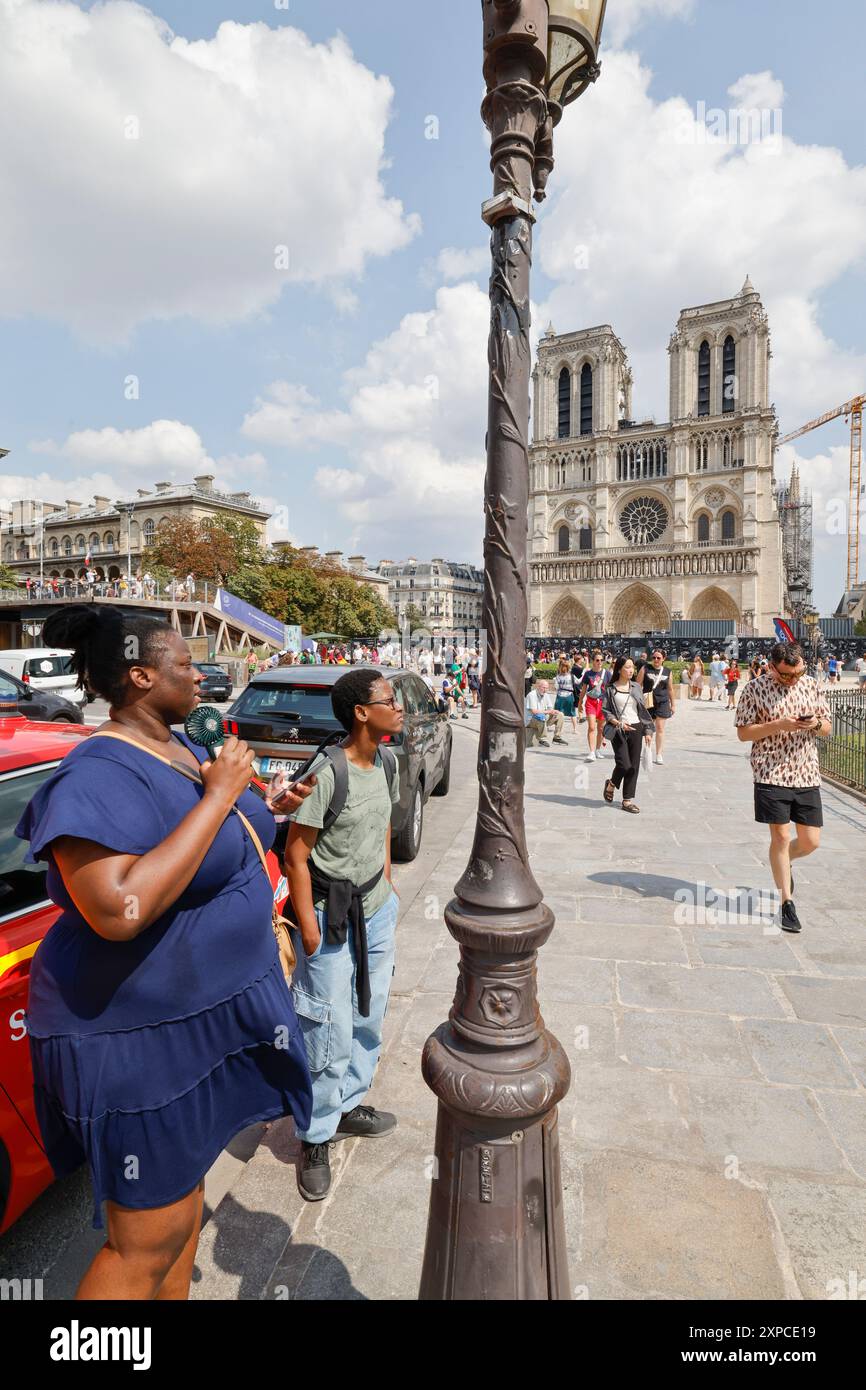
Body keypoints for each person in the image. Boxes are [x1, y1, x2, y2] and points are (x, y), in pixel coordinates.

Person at [14, 606, 315, 1300]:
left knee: (181, 1217)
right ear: (142, 675)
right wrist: (219, 798)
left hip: (192, 1030)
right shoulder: (96, 771)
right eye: (186, 664)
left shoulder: (176, 747)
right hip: (132, 1041)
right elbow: (119, 908)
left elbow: (190, 844)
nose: (201, 673)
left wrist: (260, 804)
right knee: (141, 1247)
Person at [284, 668, 402, 1201]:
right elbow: (296, 853)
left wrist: (390, 888)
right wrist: (308, 928)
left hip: (376, 908)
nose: (399, 707)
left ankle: (350, 1103)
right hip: (329, 915)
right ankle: (315, 1134)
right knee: (325, 1026)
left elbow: (381, 829)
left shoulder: (387, 760)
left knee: (369, 1013)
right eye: (389, 700)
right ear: (361, 711)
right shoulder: (329, 772)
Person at [735, 640, 830, 933]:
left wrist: (814, 724)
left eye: (797, 673)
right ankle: (787, 903)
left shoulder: (811, 685)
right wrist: (779, 725)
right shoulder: (754, 689)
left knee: (811, 841)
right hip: (769, 771)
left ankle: (783, 863)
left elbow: (827, 727)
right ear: (771, 666)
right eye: (786, 675)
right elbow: (743, 733)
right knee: (780, 835)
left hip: (805, 771)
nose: (792, 680)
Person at [600, 656, 655, 813]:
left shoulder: (636, 687)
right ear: (619, 669)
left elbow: (643, 710)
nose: (631, 670)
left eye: (632, 667)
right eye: (627, 667)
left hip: (636, 727)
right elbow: (605, 710)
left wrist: (648, 731)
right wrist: (618, 723)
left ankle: (627, 800)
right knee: (624, 763)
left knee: (634, 766)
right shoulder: (610, 688)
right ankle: (611, 784)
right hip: (619, 730)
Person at [640, 649, 674, 764]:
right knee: (648, 728)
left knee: (660, 728)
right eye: (654, 657)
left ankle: (659, 754)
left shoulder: (667, 671)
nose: (656, 660)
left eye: (658, 658)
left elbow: (670, 689)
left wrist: (673, 704)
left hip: (663, 702)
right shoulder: (645, 668)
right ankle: (648, 749)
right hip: (648, 702)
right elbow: (637, 685)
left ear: (663, 659)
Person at [578, 651, 610, 761]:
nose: (600, 662)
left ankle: (597, 749)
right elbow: (583, 690)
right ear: (593, 661)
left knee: (601, 728)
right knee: (592, 727)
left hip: (603, 703)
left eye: (602, 660)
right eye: (597, 660)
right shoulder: (588, 674)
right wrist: (580, 702)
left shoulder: (607, 674)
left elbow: (611, 689)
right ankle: (591, 752)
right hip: (591, 702)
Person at [525, 678, 568, 748]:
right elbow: (534, 711)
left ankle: (557, 737)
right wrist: (548, 711)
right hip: (530, 720)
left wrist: (553, 712)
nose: (545, 690)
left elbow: (550, 708)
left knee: (560, 715)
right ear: (538, 687)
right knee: (540, 716)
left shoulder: (546, 695)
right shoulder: (532, 695)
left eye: (547, 688)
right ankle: (542, 739)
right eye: (543, 688)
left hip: (542, 718)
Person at [554, 657, 578, 734]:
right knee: (572, 713)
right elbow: (578, 682)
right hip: (569, 696)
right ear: (568, 668)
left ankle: (558, 730)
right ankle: (575, 730)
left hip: (560, 696)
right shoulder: (571, 676)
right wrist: (584, 673)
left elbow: (556, 687)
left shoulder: (558, 676)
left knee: (558, 713)